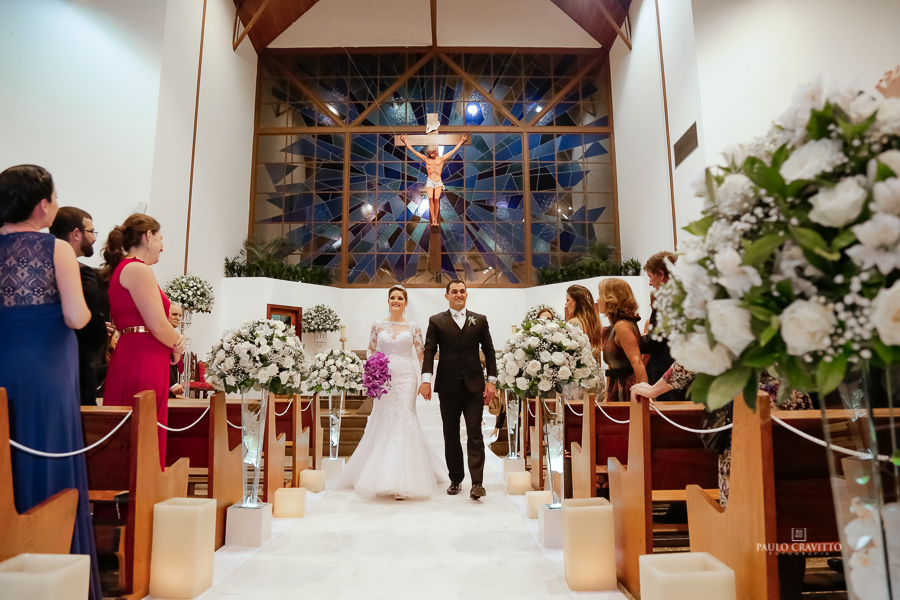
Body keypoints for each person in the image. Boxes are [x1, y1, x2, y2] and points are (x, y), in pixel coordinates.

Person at [0, 165, 102, 600]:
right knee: (48, 455)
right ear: (43, 206)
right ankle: (51, 572)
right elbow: (77, 316)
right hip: (45, 372)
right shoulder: (56, 248)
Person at [340, 286, 448, 500]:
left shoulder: (414, 327)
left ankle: (402, 480)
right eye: (392, 298)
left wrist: (426, 380)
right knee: (382, 419)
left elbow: (422, 355)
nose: (396, 301)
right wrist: (373, 369)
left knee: (403, 418)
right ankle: (375, 474)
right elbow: (371, 349)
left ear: (406, 303)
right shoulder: (378, 325)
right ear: (388, 301)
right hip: (383, 378)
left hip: (406, 377)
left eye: (400, 298)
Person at [100, 214, 185, 469]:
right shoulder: (137, 268)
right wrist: (178, 343)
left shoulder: (129, 268)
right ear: (148, 236)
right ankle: (138, 497)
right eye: (160, 238)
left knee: (142, 426)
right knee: (143, 427)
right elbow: (157, 324)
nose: (162, 245)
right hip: (142, 358)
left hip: (141, 354)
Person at [419, 280, 497, 500]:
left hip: (474, 386)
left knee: (475, 433)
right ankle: (456, 479)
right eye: (454, 292)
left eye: (462, 291)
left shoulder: (479, 320)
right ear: (447, 296)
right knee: (451, 434)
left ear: (466, 294)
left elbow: (489, 351)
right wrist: (426, 380)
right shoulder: (436, 321)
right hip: (448, 386)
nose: (459, 294)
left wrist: (491, 381)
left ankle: (478, 483)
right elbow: (429, 351)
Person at [49, 207, 106, 406]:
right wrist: (100, 328)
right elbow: (89, 326)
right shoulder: (82, 272)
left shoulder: (40, 266)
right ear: (76, 234)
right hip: (76, 366)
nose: (94, 238)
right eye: (91, 232)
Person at [639, 251, 683, 401]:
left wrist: (634, 342)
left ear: (662, 275)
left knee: (673, 419)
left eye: (651, 277)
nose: (650, 283)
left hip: (671, 371)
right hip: (679, 369)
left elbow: (657, 338)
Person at [400, 133, 467, 227]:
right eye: (430, 153)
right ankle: (434, 220)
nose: (431, 154)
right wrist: (405, 141)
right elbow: (415, 152)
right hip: (430, 181)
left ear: (435, 152)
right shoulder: (426, 160)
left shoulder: (441, 159)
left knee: (436, 200)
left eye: (433, 152)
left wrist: (462, 141)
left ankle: (436, 219)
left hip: (438, 181)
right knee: (430, 199)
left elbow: (452, 151)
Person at [598, 278, 647, 401]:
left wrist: (646, 395)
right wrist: (605, 396)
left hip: (626, 388)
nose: (598, 300)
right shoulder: (611, 328)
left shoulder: (622, 326)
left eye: (600, 295)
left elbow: (637, 362)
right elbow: (611, 367)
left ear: (611, 298)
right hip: (615, 387)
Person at [565, 284, 603, 365]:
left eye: (568, 300)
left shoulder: (574, 322)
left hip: (580, 371)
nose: (566, 304)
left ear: (576, 302)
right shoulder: (596, 323)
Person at [167, 304, 185, 399]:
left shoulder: (174, 335)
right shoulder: (163, 335)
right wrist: (173, 385)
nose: (178, 318)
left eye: (180, 315)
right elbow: (164, 361)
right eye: (174, 314)